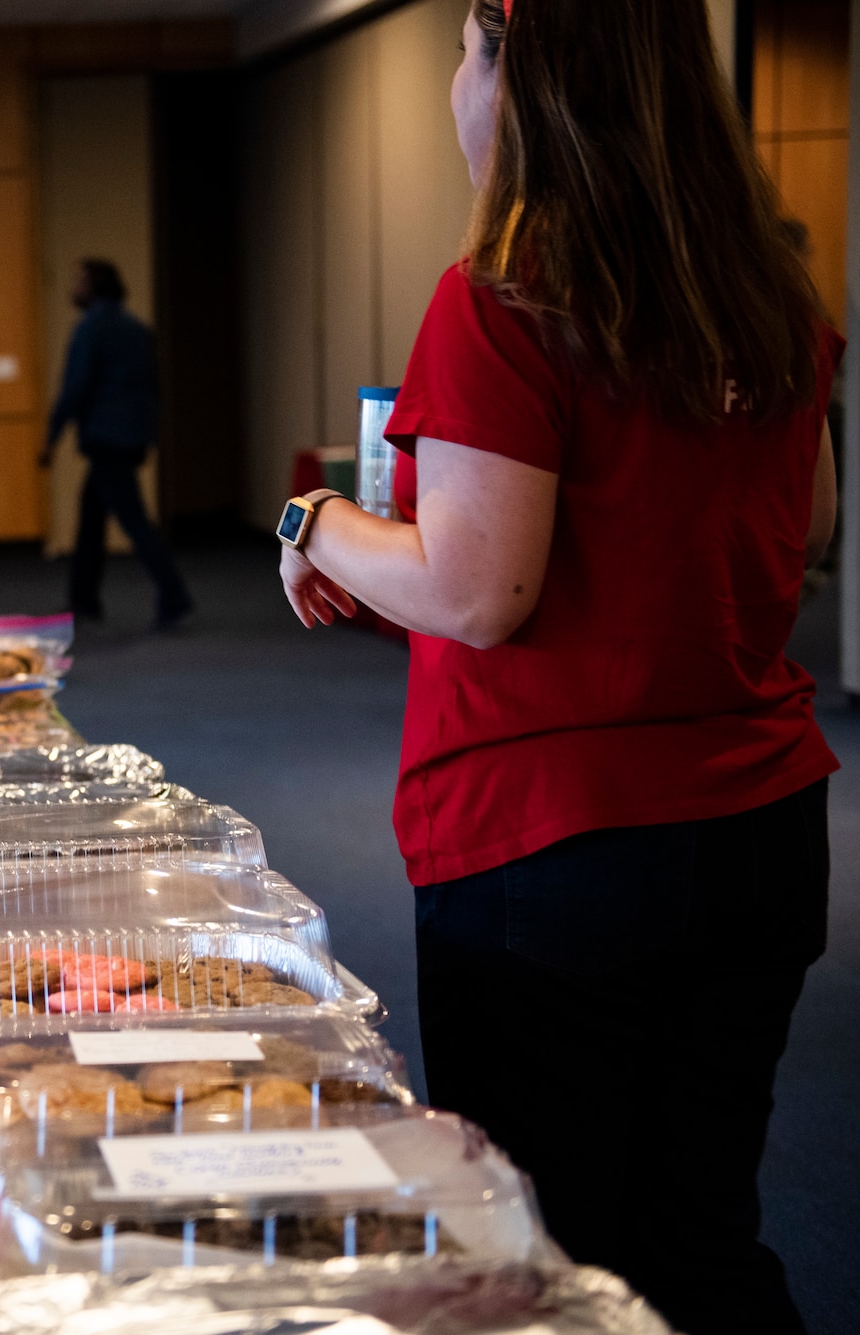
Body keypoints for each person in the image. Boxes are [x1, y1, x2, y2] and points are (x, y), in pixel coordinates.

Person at [273, 3, 836, 1330]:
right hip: (755, 822)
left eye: (464, 57)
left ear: (520, 80)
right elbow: (805, 529)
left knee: (549, 1257)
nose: (455, 90)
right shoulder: (766, 292)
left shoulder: (505, 296)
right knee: (703, 1238)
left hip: (559, 850)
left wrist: (321, 523)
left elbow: (477, 592)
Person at [40, 258, 193, 630]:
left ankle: (173, 594)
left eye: (79, 281)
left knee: (133, 518)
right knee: (91, 514)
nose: (73, 288)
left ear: (94, 286)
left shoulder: (90, 329)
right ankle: (83, 599)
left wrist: (51, 439)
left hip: (105, 437)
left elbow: (74, 388)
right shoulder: (137, 329)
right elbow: (152, 388)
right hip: (131, 437)